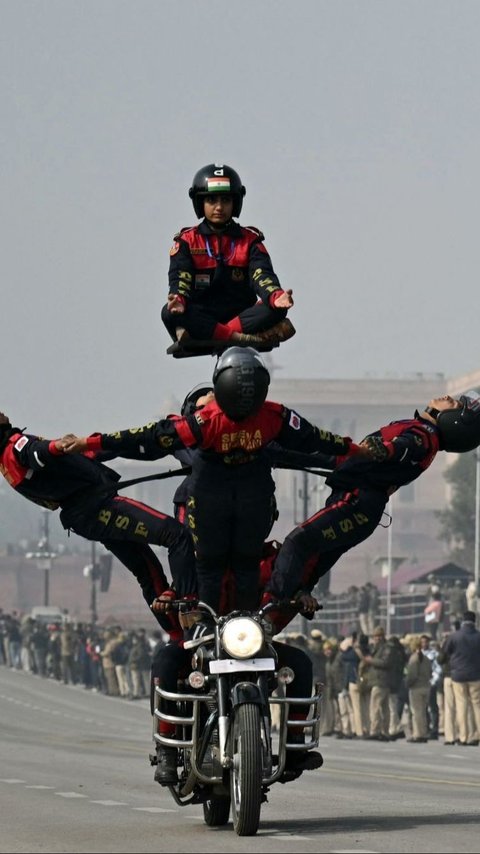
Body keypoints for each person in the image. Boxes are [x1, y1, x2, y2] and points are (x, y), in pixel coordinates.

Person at [61, 347, 366, 614]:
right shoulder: (218, 425)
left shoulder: (241, 427)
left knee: (245, 563)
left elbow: (311, 446)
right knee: (200, 557)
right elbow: (141, 442)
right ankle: (188, 605)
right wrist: (88, 449)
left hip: (240, 514)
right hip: (210, 516)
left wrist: (354, 454)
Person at [264, 392, 480, 605]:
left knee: (298, 540)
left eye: (454, 403)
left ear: (455, 421)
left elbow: (404, 447)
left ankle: (272, 601)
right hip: (361, 503)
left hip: (357, 503)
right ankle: (298, 592)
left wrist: (385, 450)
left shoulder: (423, 436)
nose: (448, 396)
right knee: (315, 552)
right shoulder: (421, 431)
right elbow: (339, 455)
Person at [0, 411, 196, 638]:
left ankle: (178, 636)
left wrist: (93, 444)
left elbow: (84, 455)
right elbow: (38, 452)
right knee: (176, 535)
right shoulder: (15, 448)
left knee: (147, 571)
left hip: (86, 515)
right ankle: (191, 609)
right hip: (98, 507)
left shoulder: (6, 463)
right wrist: (59, 445)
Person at [161, 163, 295, 351]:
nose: (219, 207)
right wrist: (179, 301)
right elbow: (180, 279)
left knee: (276, 308)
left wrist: (276, 296)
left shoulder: (250, 240)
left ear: (235, 202)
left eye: (225, 200)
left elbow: (262, 275)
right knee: (169, 313)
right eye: (211, 200)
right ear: (200, 203)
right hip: (203, 315)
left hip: (241, 316)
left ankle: (223, 335)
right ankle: (239, 338)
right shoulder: (186, 241)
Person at [442, 610, 480, 745]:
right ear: (474, 621)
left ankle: (463, 737)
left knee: (461, 705)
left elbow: (444, 653)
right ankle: (477, 734)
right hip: (476, 675)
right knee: (477, 705)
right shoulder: (478, 636)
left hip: (458, 674)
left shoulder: (454, 636)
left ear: (463, 620)